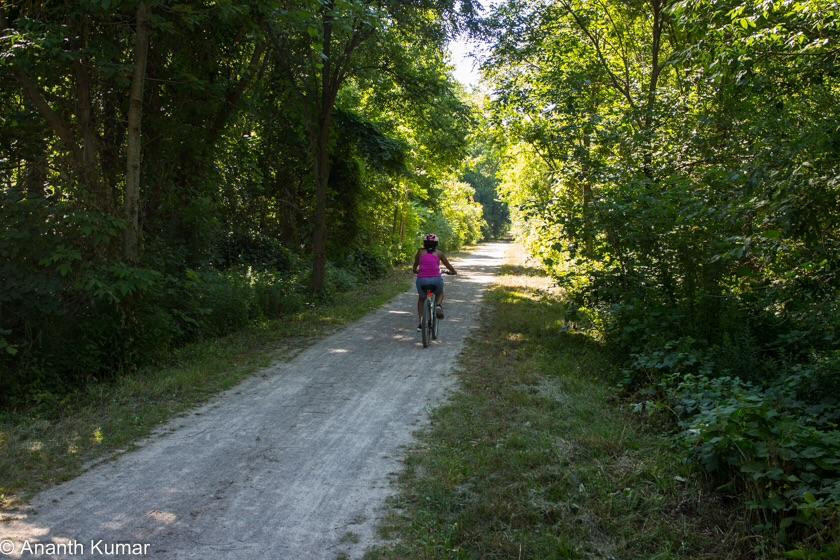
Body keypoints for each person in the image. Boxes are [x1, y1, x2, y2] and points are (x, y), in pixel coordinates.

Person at [412, 233, 456, 330]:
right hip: (436, 280)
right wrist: (453, 272)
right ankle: (439, 305)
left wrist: (415, 270)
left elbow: (415, 264)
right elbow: (448, 265)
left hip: (422, 280)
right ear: (436, 244)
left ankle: (421, 323)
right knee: (440, 293)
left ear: (424, 243)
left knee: (421, 299)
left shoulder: (420, 252)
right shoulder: (439, 253)